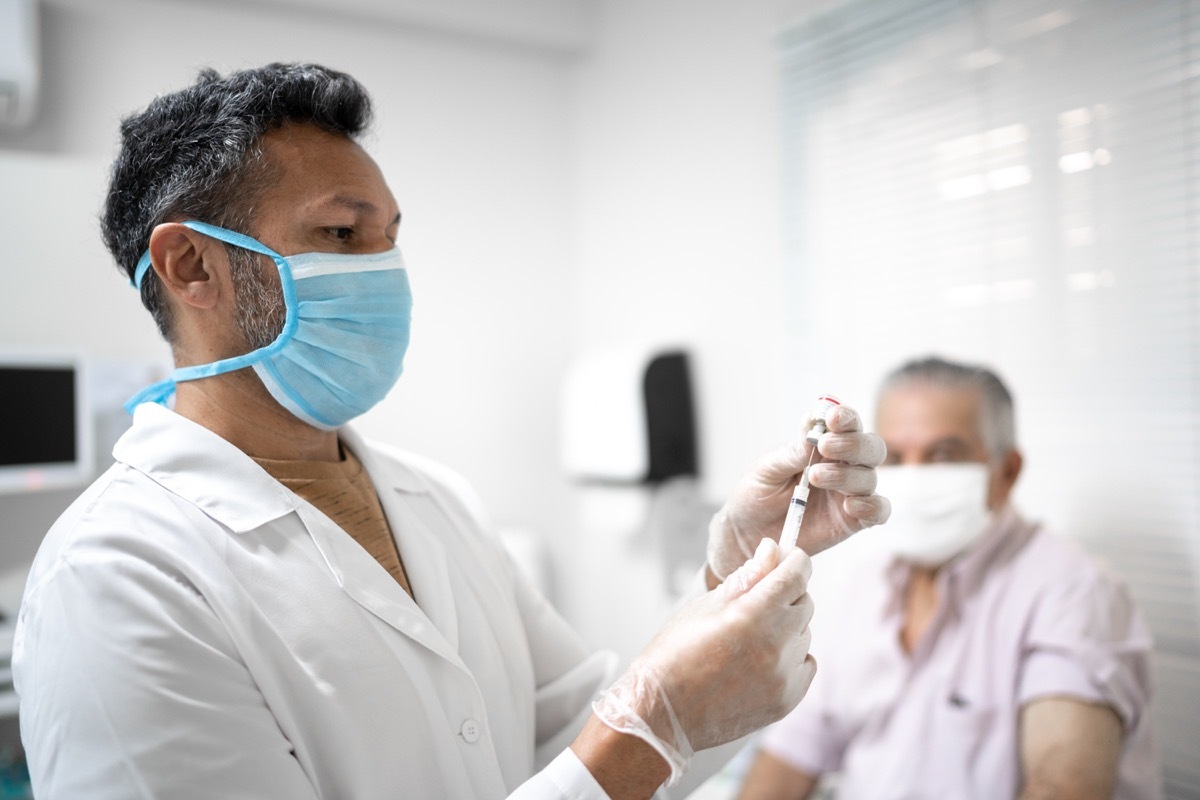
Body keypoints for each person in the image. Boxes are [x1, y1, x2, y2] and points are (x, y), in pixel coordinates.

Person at [12, 63, 890, 799]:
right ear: (191, 265)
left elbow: (598, 734)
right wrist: (645, 735)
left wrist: (733, 577)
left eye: (389, 237)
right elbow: (627, 746)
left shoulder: (434, 501)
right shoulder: (114, 582)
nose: (384, 273)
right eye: (342, 233)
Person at [736, 356, 1160, 800]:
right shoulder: (868, 586)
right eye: (895, 458)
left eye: (942, 456)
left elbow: (1064, 786)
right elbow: (790, 756)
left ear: (1007, 472)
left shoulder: (1073, 593)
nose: (914, 477)